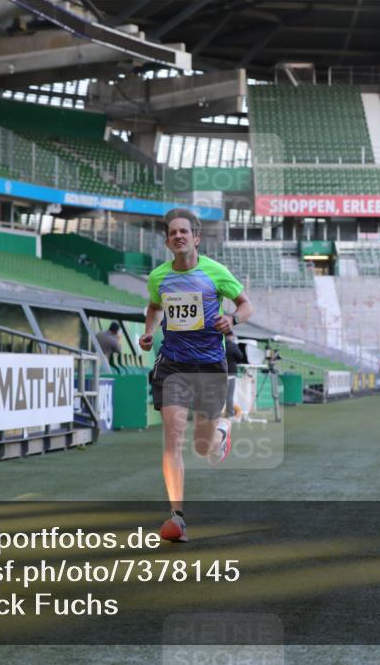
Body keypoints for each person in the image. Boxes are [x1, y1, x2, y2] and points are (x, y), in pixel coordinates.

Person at [139, 208, 254, 543]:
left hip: (208, 364)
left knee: (204, 447)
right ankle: (177, 517)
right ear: (166, 240)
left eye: (184, 232)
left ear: (196, 237)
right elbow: (153, 306)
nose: (178, 236)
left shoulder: (215, 273)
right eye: (172, 232)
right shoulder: (158, 277)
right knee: (173, 437)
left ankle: (222, 429)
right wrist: (149, 332)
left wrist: (232, 320)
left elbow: (246, 304)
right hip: (173, 363)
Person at [224, 332, 245, 419]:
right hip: (231, 374)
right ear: (231, 336)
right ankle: (230, 414)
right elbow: (240, 357)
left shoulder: (219, 345)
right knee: (229, 396)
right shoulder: (232, 345)